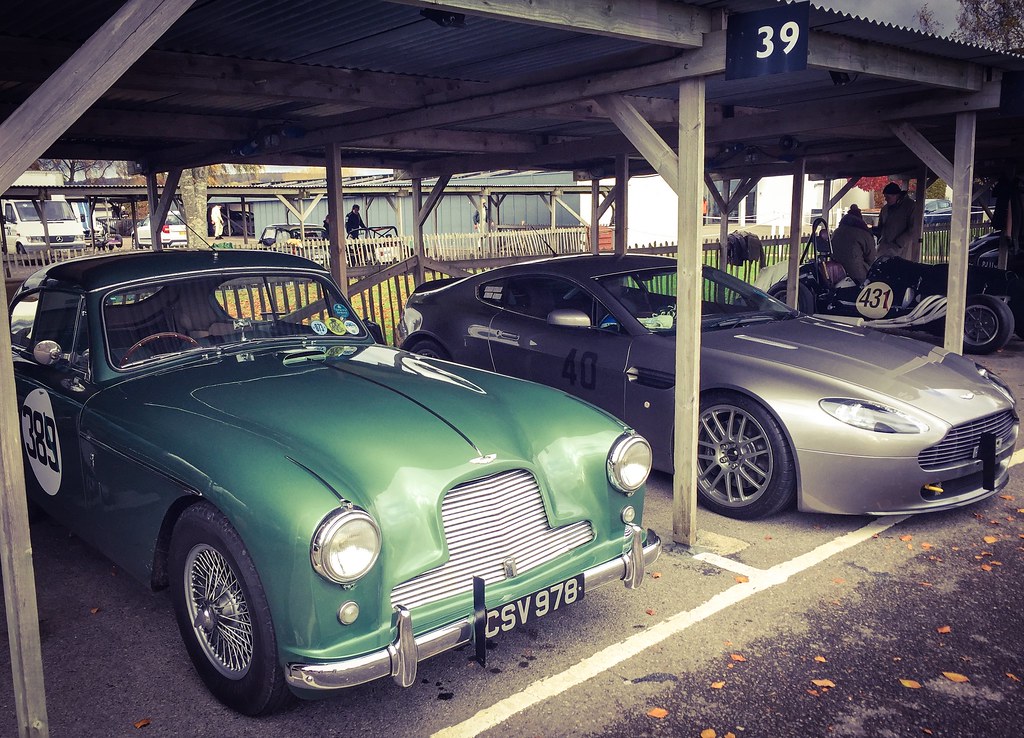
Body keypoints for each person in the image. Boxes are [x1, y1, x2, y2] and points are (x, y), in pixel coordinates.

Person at [830, 204, 876, 284]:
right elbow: (871, 257)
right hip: (857, 274)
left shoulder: (837, 231)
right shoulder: (863, 234)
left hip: (835, 273)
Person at [874, 182, 915, 259]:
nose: (886, 199)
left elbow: (913, 228)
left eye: (888, 197)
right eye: (885, 197)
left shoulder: (910, 206)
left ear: (896, 196)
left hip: (900, 248)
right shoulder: (885, 209)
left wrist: (899, 242)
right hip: (884, 247)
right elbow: (881, 226)